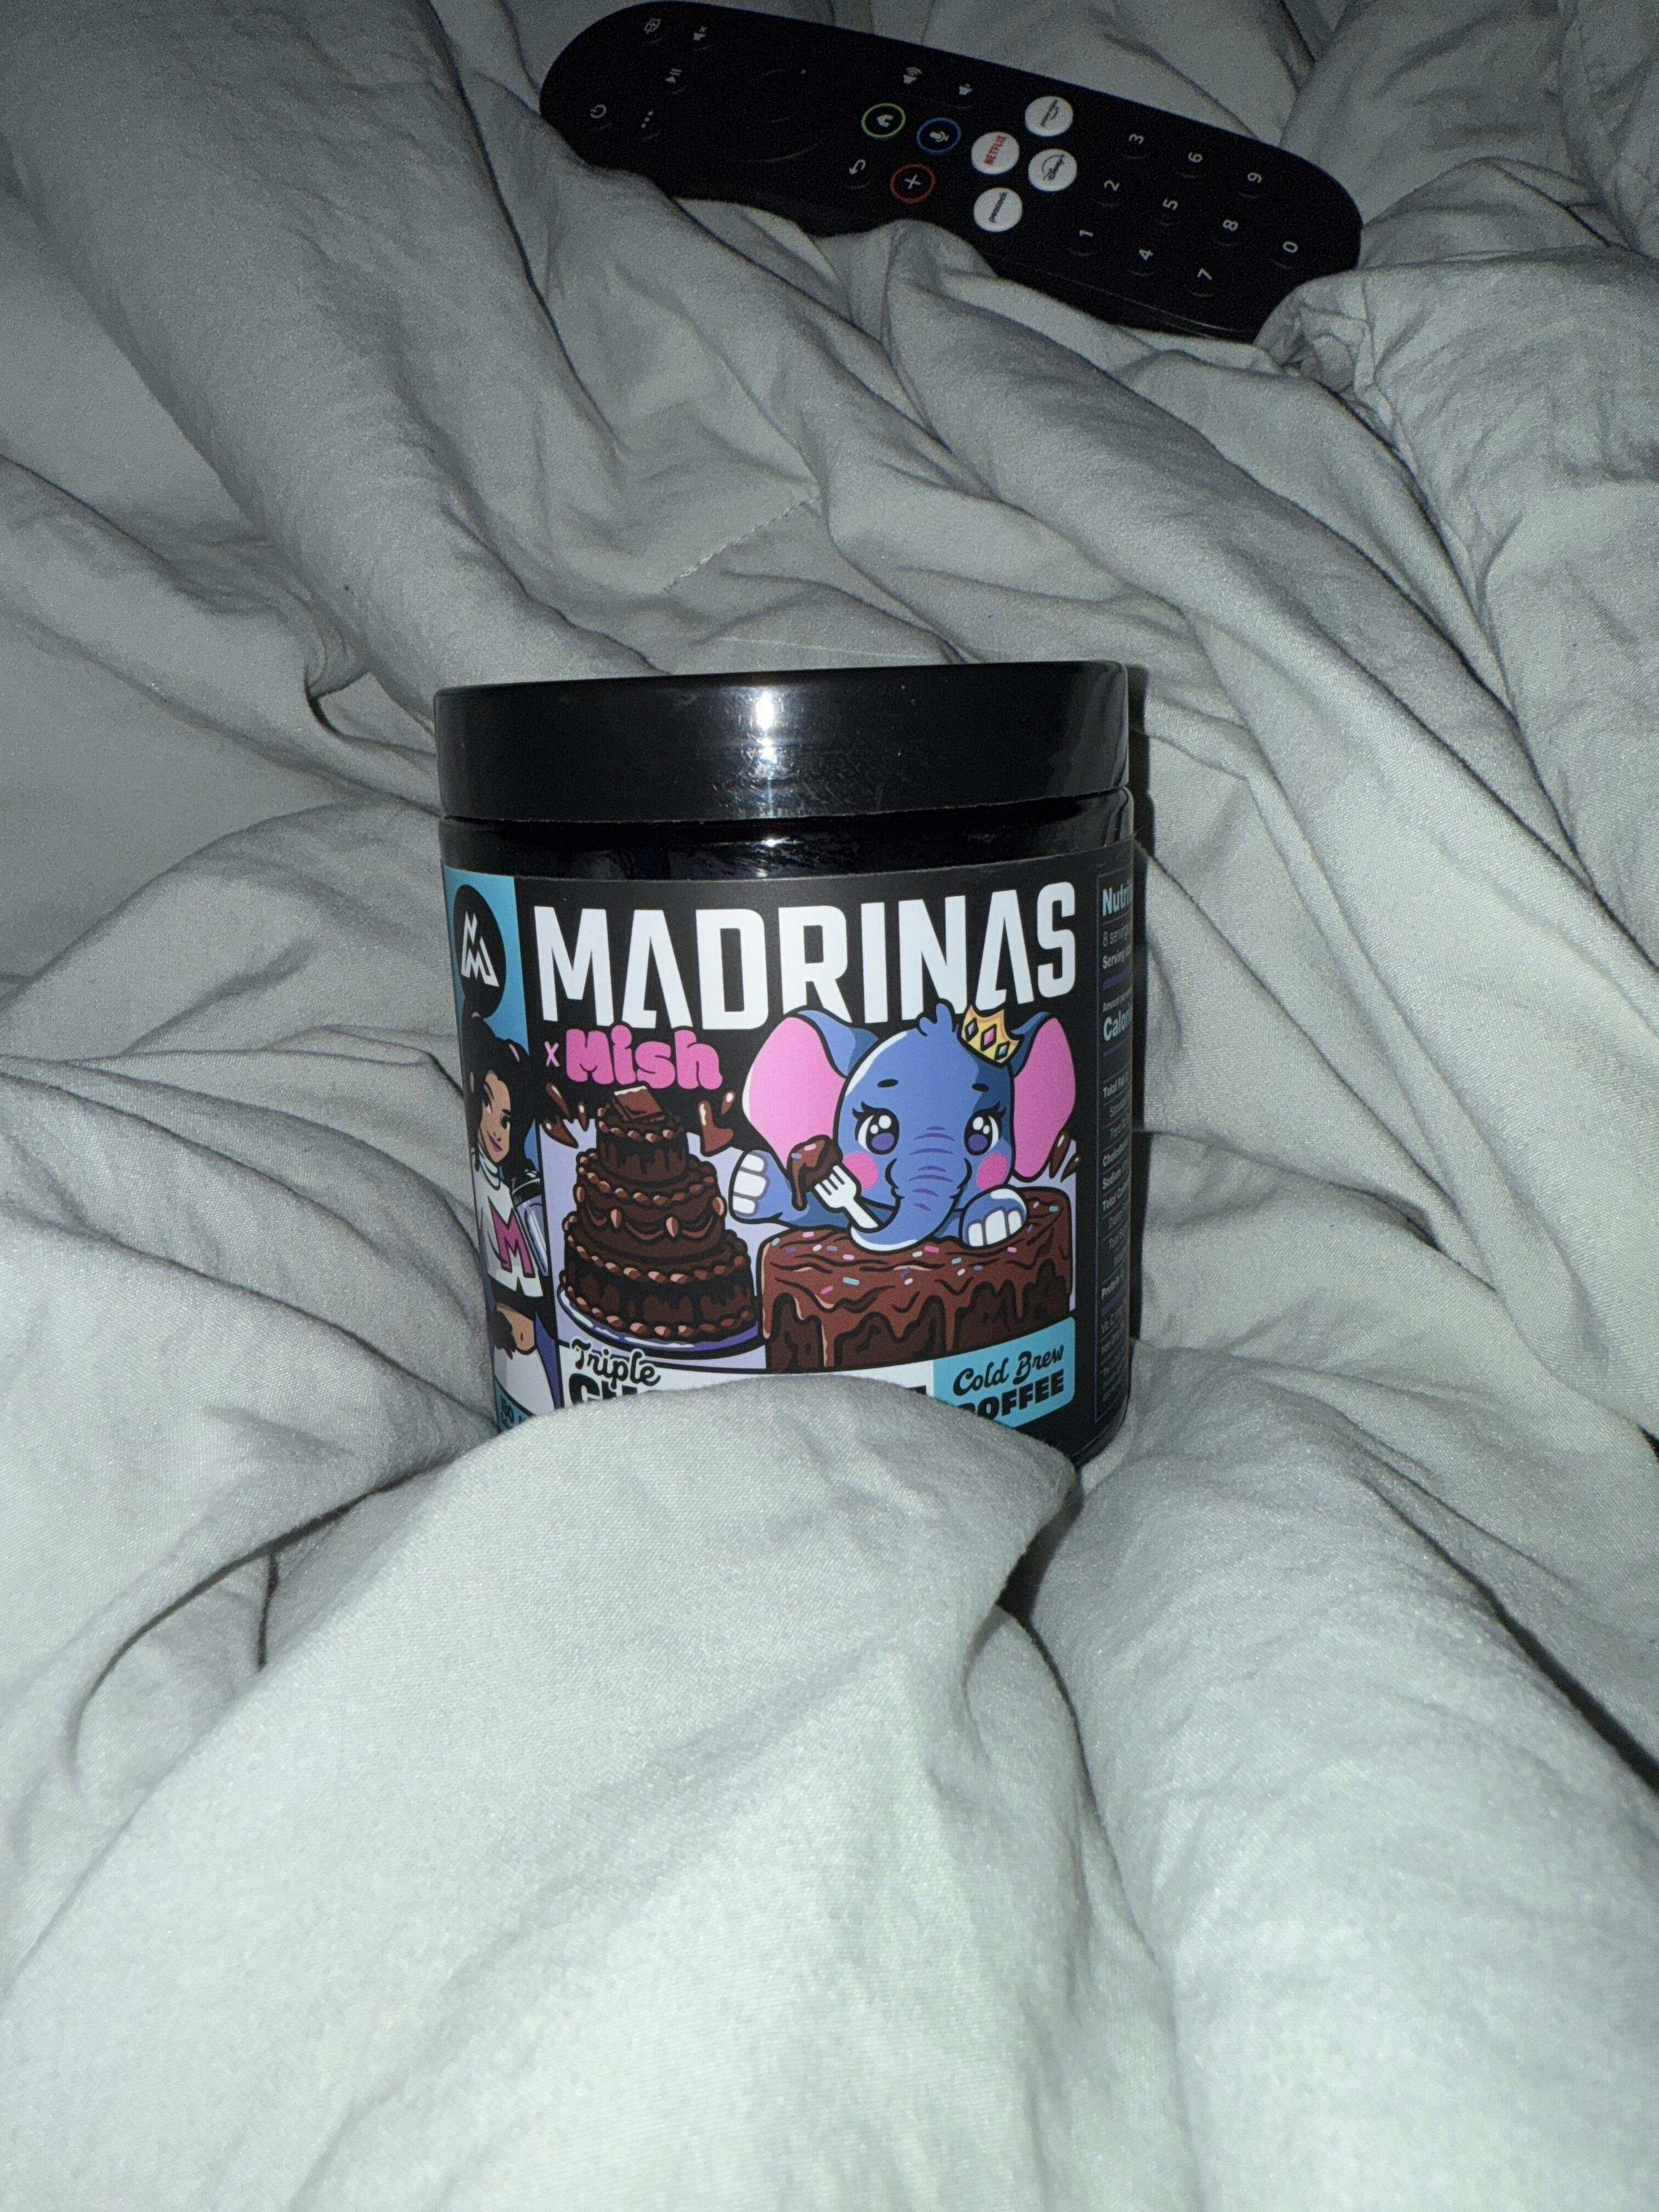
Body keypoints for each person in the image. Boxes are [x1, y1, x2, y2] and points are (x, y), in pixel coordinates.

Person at [462, 1014, 559, 1419]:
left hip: (529, 1360)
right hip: (508, 1362)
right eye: (487, 1103)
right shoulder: (488, 1179)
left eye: (508, 1119)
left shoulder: (520, 1191)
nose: (496, 1128)